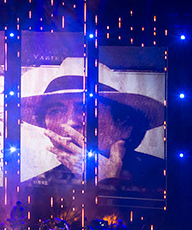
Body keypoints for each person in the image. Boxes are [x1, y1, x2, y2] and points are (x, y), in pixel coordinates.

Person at [21, 59, 165, 190]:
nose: (70, 122)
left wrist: (107, 183)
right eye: (56, 111)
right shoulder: (37, 186)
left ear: (125, 126)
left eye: (85, 110)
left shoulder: (163, 177)